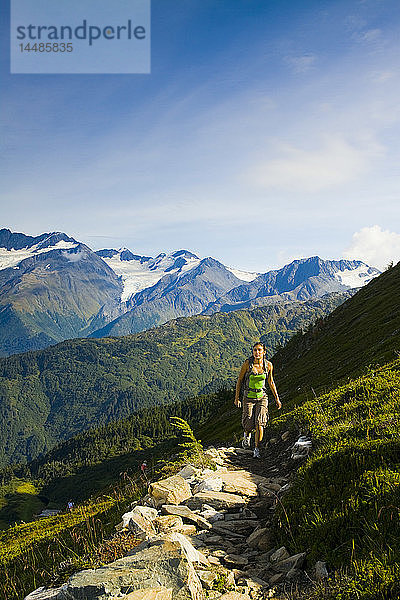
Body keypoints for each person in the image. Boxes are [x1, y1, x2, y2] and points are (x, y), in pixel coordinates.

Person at [234, 342, 282, 458]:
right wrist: (237, 398)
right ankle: (247, 434)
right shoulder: (247, 364)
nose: (257, 352)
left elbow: (271, 382)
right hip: (248, 397)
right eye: (255, 350)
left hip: (262, 397)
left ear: (264, 352)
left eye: (259, 350)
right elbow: (240, 380)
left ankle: (257, 448)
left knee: (260, 422)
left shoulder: (268, 365)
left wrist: (277, 398)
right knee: (249, 423)